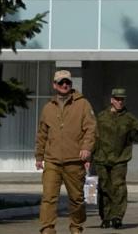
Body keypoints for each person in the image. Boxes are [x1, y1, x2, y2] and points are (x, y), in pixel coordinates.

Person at [93, 87, 138, 229]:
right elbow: (92, 137)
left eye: (122, 99)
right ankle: (106, 217)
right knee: (104, 188)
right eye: (117, 99)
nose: (120, 102)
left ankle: (117, 217)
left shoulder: (129, 119)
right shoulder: (101, 117)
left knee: (119, 187)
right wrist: (86, 158)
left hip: (120, 159)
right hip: (102, 158)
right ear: (112, 100)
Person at [35, 69, 96, 234]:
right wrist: (39, 156)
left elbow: (91, 129)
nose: (64, 85)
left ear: (71, 84)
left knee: (76, 199)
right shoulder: (48, 107)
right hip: (52, 161)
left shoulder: (83, 104)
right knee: (48, 197)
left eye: (67, 82)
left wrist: (86, 148)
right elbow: (42, 134)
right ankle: (47, 229)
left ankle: (76, 227)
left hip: (74, 160)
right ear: (54, 85)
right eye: (61, 82)